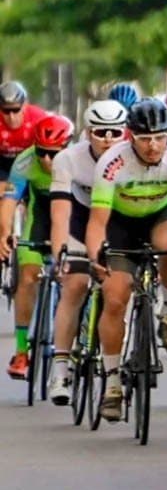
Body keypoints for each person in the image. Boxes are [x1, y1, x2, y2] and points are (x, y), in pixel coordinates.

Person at [87, 100, 167, 420]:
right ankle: (113, 382)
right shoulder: (111, 162)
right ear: (130, 136)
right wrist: (96, 256)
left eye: (160, 137)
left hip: (162, 213)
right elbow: (96, 221)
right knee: (116, 297)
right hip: (121, 223)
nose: (153, 146)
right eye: (145, 138)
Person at [46, 100, 128, 403]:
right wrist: (61, 254)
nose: (108, 138)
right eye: (100, 131)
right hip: (80, 222)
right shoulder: (69, 159)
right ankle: (60, 371)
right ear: (87, 132)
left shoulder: (131, 158)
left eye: (115, 131)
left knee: (119, 286)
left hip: (117, 223)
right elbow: (60, 214)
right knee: (75, 284)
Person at [0, 115, 73, 379]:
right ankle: (21, 352)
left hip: (71, 221)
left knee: (75, 279)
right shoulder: (25, 161)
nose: (46, 160)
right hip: (39, 221)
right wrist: (4, 234)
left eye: (54, 154)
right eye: (41, 152)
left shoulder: (79, 162)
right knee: (28, 278)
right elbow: (8, 203)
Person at [0, 80, 50, 187]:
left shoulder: (39, 118)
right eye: (6, 111)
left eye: (16, 110)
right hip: (3, 163)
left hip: (31, 162)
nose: (11, 117)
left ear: (24, 106)